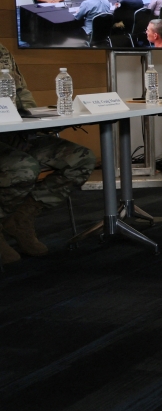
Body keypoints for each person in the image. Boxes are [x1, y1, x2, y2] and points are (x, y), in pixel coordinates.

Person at [0, 42, 96, 264]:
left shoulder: (2, 50)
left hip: (14, 130)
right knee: (23, 168)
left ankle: (21, 218)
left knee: (80, 159)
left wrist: (34, 122)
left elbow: (21, 92)